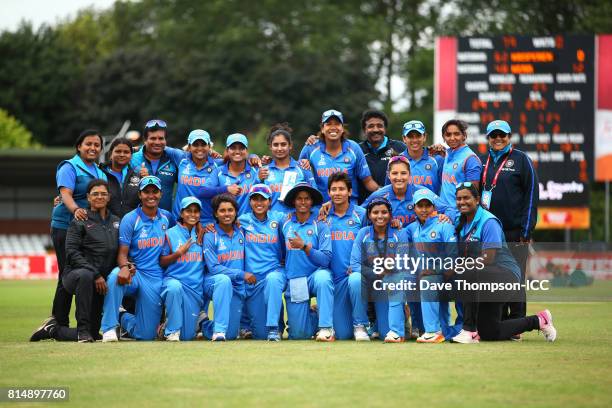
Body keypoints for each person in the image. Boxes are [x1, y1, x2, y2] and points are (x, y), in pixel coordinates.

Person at [450, 182, 556, 343]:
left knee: (468, 272)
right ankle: (539, 320)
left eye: (466, 198)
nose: (462, 202)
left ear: (477, 199)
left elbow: (488, 259)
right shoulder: (459, 220)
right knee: (489, 332)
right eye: (458, 199)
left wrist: (458, 267)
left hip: (505, 276)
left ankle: (469, 331)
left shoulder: (488, 221)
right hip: (484, 278)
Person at [30, 180, 119, 342]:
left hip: (100, 282)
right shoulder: (79, 220)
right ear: (88, 197)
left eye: (103, 194)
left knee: (94, 333)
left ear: (109, 197)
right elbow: (72, 253)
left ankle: (54, 330)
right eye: (95, 194)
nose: (99, 197)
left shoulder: (116, 222)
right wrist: (96, 274)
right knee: (85, 275)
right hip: (76, 276)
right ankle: (82, 330)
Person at [100, 176, 175, 341]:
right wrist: (125, 267)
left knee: (146, 335)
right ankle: (109, 328)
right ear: (140, 195)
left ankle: (122, 316)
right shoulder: (130, 219)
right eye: (146, 192)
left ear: (161, 194)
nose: (151, 195)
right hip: (136, 273)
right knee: (114, 277)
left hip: (155, 277)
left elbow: (183, 230)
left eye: (154, 191)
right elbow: (122, 253)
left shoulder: (167, 218)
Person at [480, 120, 538, 324]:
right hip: (489, 232)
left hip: (514, 231)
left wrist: (527, 230)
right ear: (488, 138)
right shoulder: (482, 160)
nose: (497, 139)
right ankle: (500, 321)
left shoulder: (521, 160)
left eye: (501, 135)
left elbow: (531, 195)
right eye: (493, 135)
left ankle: (517, 322)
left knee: (515, 277)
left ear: (509, 136)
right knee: (495, 277)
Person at [50, 129, 107, 328]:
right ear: (79, 146)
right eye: (88, 144)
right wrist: (75, 209)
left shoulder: (99, 170)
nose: (92, 148)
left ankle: (86, 323)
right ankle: (58, 322)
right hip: (66, 225)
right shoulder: (69, 166)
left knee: (84, 273)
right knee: (67, 273)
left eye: (96, 145)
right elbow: (65, 193)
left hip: (88, 229)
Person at [281, 182, 335, 341]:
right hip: (296, 279)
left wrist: (305, 247)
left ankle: (326, 328)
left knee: (324, 278)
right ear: (293, 201)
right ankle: (314, 313)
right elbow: (279, 250)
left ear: (312, 202)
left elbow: (325, 259)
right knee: (298, 335)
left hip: (315, 276)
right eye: (299, 198)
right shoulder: (285, 222)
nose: (303, 202)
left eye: (307, 199)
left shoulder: (321, 224)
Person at [350, 197, 407, 343]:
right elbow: (355, 264)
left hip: (388, 284)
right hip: (369, 283)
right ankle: (361, 325)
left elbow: (403, 261)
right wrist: (375, 272)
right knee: (355, 278)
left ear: (390, 214)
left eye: (384, 212)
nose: (380, 216)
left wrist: (388, 269)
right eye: (375, 212)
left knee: (384, 333)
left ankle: (402, 319)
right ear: (369, 215)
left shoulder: (399, 233)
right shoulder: (363, 233)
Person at [405, 188, 457, 343]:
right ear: (414, 208)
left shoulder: (444, 224)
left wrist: (434, 270)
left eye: (428, 205)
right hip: (427, 276)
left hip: (448, 276)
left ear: (434, 207)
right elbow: (397, 235)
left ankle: (433, 331)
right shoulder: (412, 228)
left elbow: (453, 257)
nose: (424, 210)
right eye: (420, 206)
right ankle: (428, 328)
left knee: (428, 281)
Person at [238, 184, 287, 341]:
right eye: (255, 199)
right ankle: (271, 327)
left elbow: (300, 215)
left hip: (275, 272)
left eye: (263, 199)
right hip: (253, 279)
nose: (259, 203)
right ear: (250, 201)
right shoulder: (242, 221)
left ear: (270, 201)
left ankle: (274, 328)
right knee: (259, 334)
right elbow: (222, 227)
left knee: (273, 281)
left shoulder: (279, 218)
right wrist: (206, 227)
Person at [325, 173, 369, 341]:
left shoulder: (362, 214)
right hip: (334, 279)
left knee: (356, 280)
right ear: (328, 193)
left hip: (355, 275)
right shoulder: (323, 215)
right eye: (333, 189)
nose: (337, 193)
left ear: (350, 192)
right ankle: (318, 313)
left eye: (342, 189)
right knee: (343, 335)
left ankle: (361, 325)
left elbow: (373, 237)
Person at [299, 109, 379, 203]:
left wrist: (386, 192)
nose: (333, 127)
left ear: (342, 128)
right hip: (320, 210)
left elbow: (368, 181)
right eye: (328, 124)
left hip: (350, 210)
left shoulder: (354, 148)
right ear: (322, 129)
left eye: (337, 124)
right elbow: (299, 177)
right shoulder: (311, 148)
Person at [200, 193, 249, 341]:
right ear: (215, 213)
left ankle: (203, 323)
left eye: (230, 210)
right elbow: (214, 268)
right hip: (214, 283)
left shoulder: (242, 231)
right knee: (223, 280)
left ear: (235, 212)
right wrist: (242, 274)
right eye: (222, 210)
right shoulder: (210, 234)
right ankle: (218, 332)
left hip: (237, 287)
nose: (227, 214)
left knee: (232, 334)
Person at [158, 196, 205, 341]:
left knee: (187, 336)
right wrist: (178, 253)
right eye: (188, 211)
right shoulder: (171, 233)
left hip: (194, 288)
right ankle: (171, 331)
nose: (192, 214)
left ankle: (164, 327)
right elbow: (162, 261)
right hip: (174, 281)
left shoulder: (202, 233)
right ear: (181, 213)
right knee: (174, 287)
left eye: (196, 211)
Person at [258, 123, 316, 214]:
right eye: (276, 145)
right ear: (270, 147)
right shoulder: (264, 171)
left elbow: (314, 196)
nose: (279, 148)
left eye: (283, 144)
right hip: (271, 225)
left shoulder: (302, 167)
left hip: (296, 224)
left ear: (290, 145)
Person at [173, 129, 226, 227]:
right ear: (189, 147)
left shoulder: (218, 164)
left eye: (203, 144)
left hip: (207, 225)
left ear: (209, 146)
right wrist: (137, 148)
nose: (199, 148)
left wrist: (253, 156)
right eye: (195, 145)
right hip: (180, 222)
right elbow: (158, 147)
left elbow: (238, 157)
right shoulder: (181, 158)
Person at [130, 119, 180, 212]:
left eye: (161, 138)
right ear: (145, 140)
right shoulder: (131, 159)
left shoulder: (173, 160)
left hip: (167, 221)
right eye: (153, 138)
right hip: (138, 221)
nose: (157, 142)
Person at [438, 119, 482, 221]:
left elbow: (473, 196)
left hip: (459, 217)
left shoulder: (470, 159)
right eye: (448, 135)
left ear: (464, 135)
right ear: (444, 137)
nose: (452, 138)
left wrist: (455, 216)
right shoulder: (446, 154)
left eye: (456, 134)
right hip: (443, 215)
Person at [357, 110, 406, 202]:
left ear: (385, 128)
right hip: (364, 208)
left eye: (379, 126)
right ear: (364, 130)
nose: (376, 130)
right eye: (371, 126)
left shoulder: (399, 148)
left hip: (394, 206)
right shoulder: (357, 150)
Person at [209, 134, 259, 215]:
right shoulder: (218, 171)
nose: (237, 151)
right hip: (226, 223)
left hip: (250, 224)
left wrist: (254, 156)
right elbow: (203, 192)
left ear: (246, 150)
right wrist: (226, 189)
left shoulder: (255, 169)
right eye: (233, 148)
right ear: (227, 150)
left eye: (241, 148)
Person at [99, 137, 141, 219]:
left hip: (131, 225)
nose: (122, 154)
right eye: (118, 151)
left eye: (126, 152)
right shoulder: (99, 173)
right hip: (105, 225)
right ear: (111, 154)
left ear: (131, 155)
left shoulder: (139, 175)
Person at [398, 120, 444, 194]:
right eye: (410, 136)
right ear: (404, 138)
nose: (415, 140)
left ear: (424, 137)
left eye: (418, 135)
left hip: (432, 205)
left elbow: (447, 187)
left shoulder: (437, 159)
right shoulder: (397, 161)